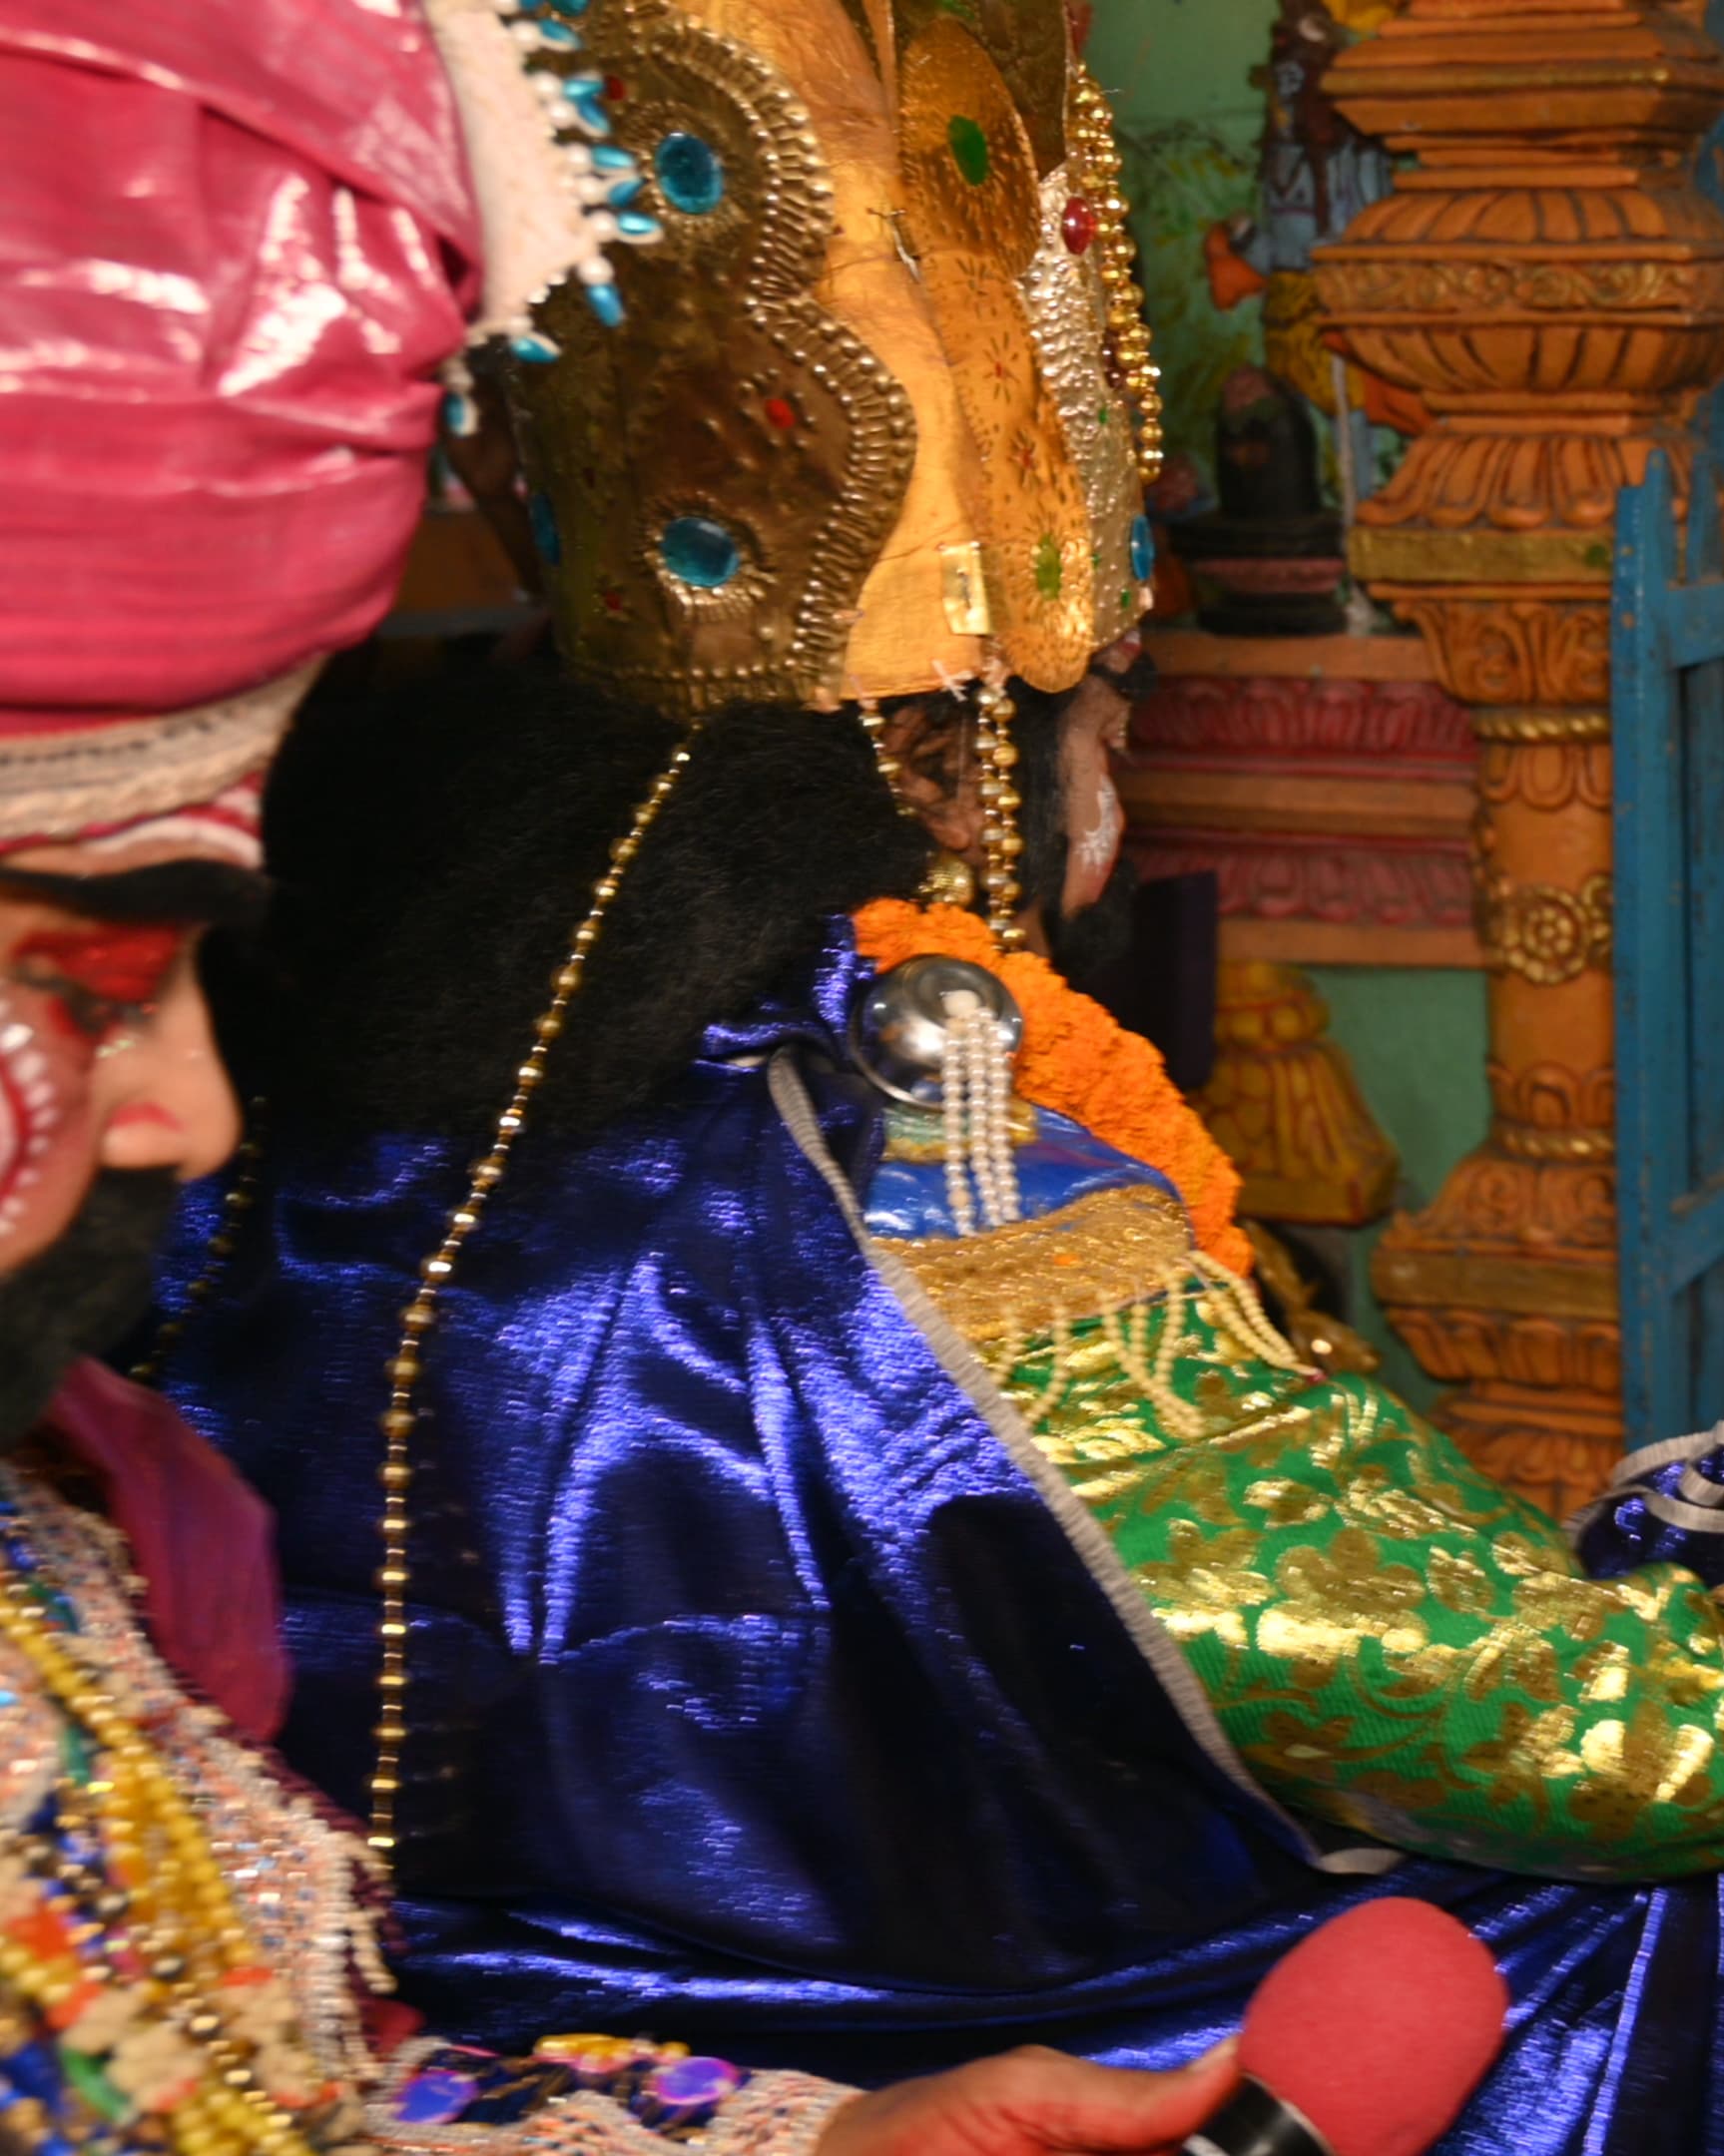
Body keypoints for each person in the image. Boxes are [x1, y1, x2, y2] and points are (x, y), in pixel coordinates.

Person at [146, 0, 1724, 2138]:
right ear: (951, 760)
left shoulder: (252, 1090)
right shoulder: (937, 1174)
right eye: (1121, 698)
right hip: (912, 2080)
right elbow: (1503, 1705)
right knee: (1597, 1933)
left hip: (366, 2039)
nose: (1122, 775)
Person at [0, 0, 1251, 2144]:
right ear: (955, 767)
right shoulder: (930, 1140)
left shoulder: (63, 1554)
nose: (197, 1122)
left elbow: (309, 2095)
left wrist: (833, 2142)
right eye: (87, 985)